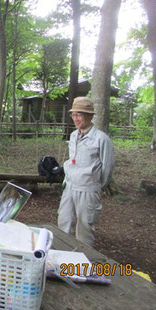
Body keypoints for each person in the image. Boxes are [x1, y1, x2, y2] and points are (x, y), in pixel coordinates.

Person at [58, 97, 115, 247]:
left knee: (84, 227)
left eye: (79, 115)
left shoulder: (101, 139)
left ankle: (83, 264)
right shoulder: (73, 135)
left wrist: (93, 184)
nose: (75, 118)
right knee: (64, 222)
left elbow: (107, 168)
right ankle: (63, 259)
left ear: (89, 116)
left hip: (88, 189)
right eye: (73, 115)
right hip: (69, 186)